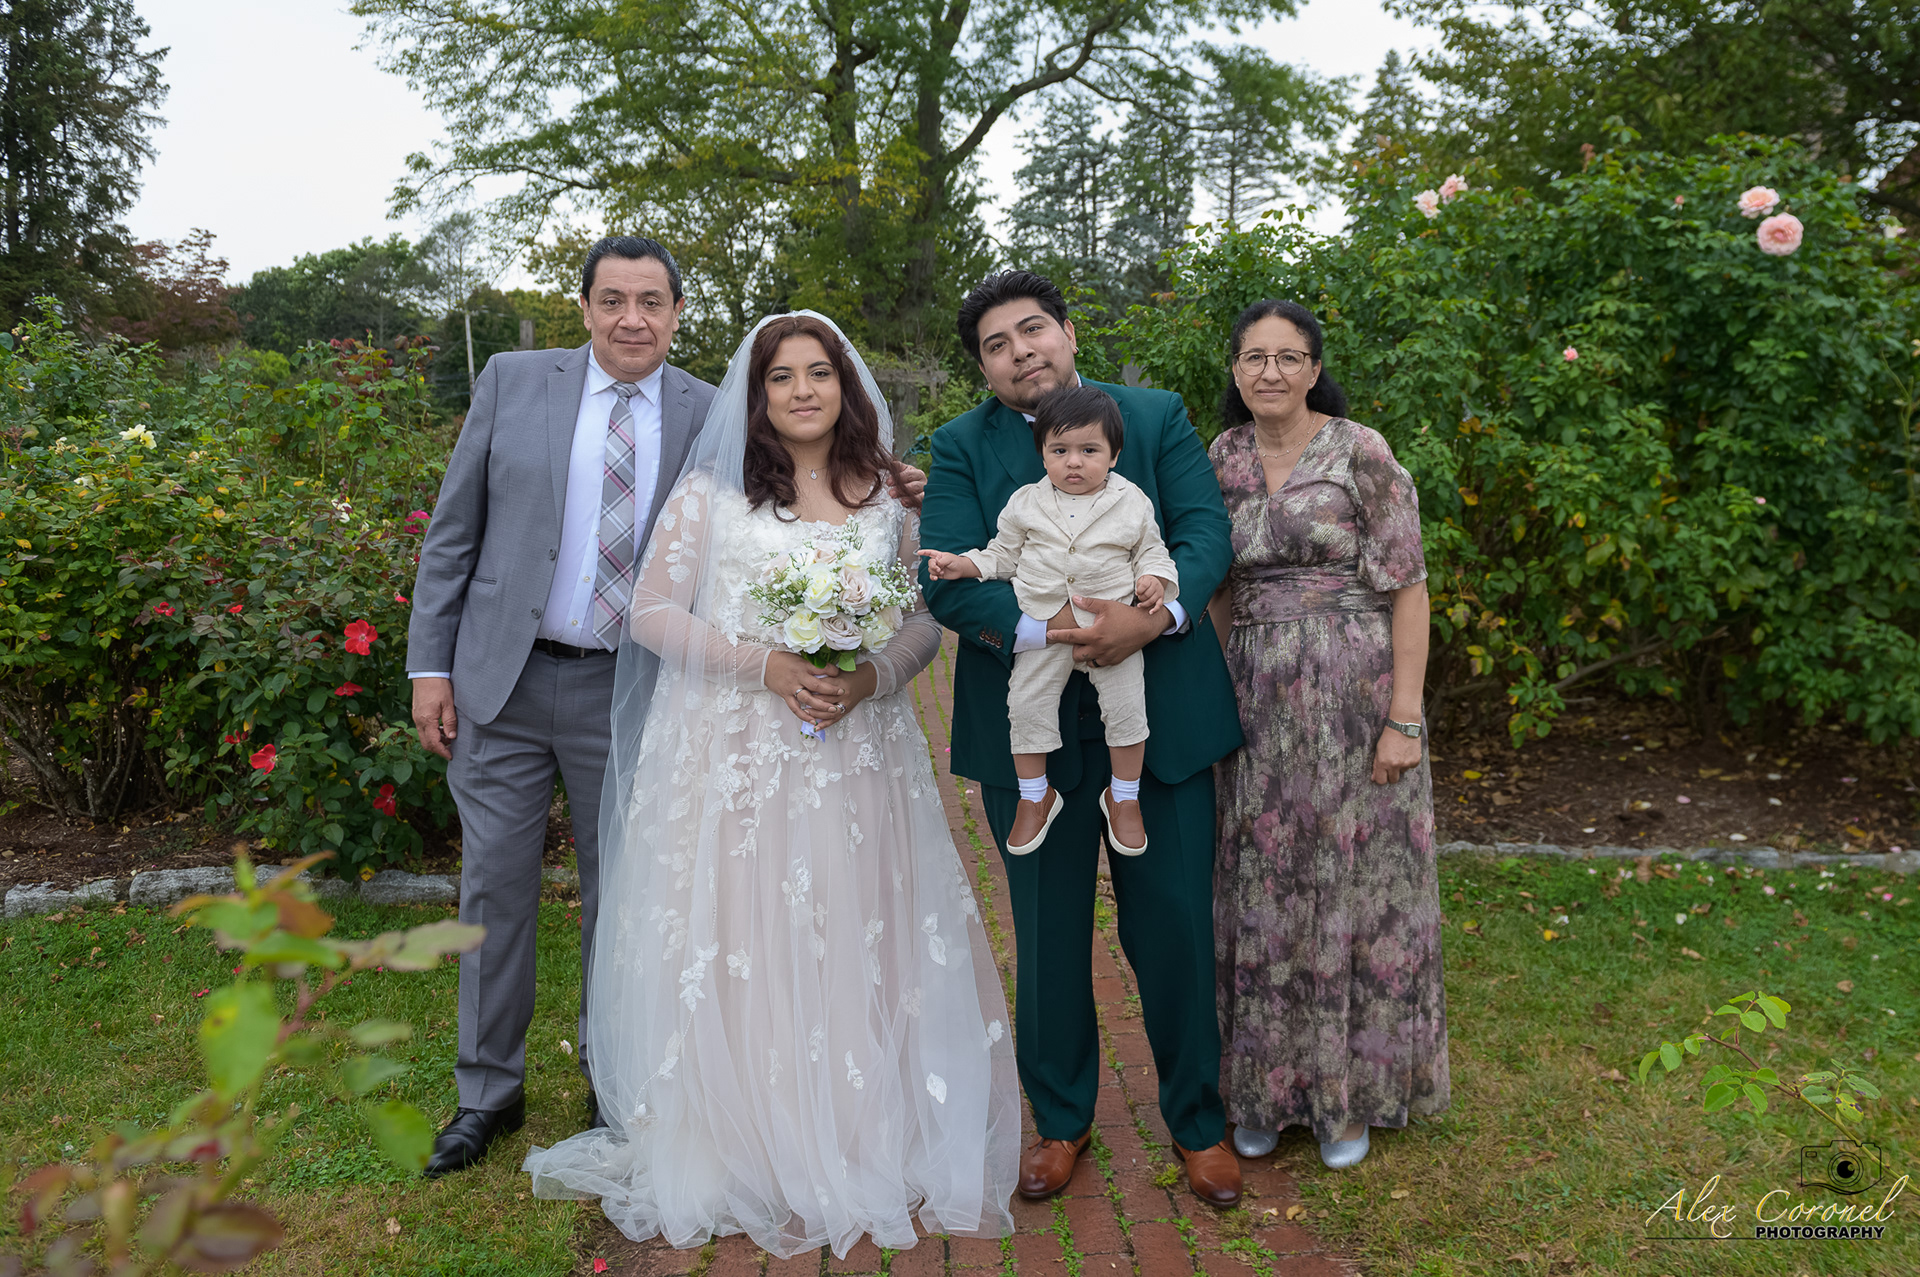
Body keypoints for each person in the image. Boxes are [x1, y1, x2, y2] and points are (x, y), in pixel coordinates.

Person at [522, 313, 1019, 1260]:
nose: (801, 391)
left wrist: (871, 677)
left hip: (858, 751)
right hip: (738, 750)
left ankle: (859, 1125)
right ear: (755, 398)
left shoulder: (888, 498)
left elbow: (924, 620)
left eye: (818, 373)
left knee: (852, 918)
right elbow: (652, 612)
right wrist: (765, 664)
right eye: (781, 377)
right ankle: (746, 1136)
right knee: (746, 925)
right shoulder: (711, 496)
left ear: (846, 385)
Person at [918, 271, 1246, 1207]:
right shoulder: (960, 445)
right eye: (996, 344)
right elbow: (949, 576)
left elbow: (1203, 532)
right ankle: (1060, 1121)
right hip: (1029, 730)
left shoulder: (1153, 415)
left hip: (1157, 714)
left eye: (1033, 330)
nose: (1020, 351)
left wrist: (1154, 616)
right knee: (1048, 933)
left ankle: (1199, 1123)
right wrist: (1051, 629)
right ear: (983, 367)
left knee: (1175, 924)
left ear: (1067, 332)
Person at [406, 236, 717, 1176]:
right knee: (493, 888)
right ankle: (486, 1093)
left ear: (676, 313)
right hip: (500, 682)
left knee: (621, 896)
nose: (632, 318)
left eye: (651, 301)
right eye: (613, 299)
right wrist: (430, 666)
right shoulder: (512, 381)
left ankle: (608, 1076)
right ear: (583, 308)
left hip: (629, 688)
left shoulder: (709, 411)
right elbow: (453, 534)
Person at [1205, 299, 1450, 1171]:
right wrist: (1210, 695)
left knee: (1352, 887)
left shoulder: (1361, 451)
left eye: (1289, 356)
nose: (1270, 371)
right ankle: (1266, 1090)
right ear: (1236, 370)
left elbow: (1408, 588)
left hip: (1356, 700)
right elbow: (1218, 588)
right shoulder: (1221, 458)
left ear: (1314, 369)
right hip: (1255, 703)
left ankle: (1349, 1098)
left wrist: (1404, 718)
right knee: (1261, 887)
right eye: (1254, 356)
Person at [918, 384, 1178, 857]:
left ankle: (1124, 797)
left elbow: (1152, 551)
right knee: (1026, 703)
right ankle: (1035, 796)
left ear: (1114, 455)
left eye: (1089, 450)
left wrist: (1155, 580)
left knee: (1127, 708)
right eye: (1060, 450)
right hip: (1044, 625)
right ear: (1042, 454)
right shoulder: (1025, 502)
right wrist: (964, 564)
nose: (1073, 462)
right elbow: (1002, 555)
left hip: (1112, 630)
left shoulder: (1132, 501)